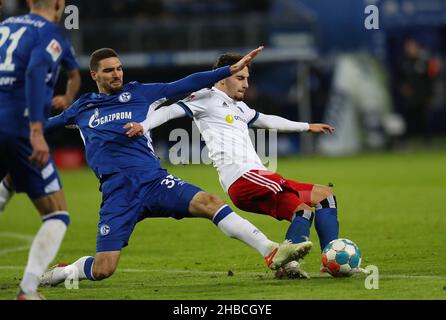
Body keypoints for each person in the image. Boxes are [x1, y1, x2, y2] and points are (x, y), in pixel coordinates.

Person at [39, 47, 313, 290]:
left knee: (210, 202)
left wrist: (227, 70)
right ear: (94, 75)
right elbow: (44, 126)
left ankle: (270, 250)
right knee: (103, 269)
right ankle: (65, 271)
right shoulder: (83, 107)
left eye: (119, 68)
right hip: (118, 192)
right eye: (109, 71)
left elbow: (186, 83)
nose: (116, 74)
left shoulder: (140, 93)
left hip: (155, 182)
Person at [125, 53, 337, 279]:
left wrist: (306, 126)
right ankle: (291, 260)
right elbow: (168, 111)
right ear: (223, 78)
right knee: (311, 201)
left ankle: (322, 262)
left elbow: (267, 120)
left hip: (256, 179)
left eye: (247, 78)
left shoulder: (239, 107)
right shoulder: (204, 97)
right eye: (240, 78)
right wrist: (144, 125)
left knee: (319, 200)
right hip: (244, 177)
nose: (246, 84)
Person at [0, 0, 80, 299]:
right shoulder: (50, 33)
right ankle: (28, 289)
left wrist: (68, 95)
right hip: (17, 129)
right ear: (60, 4)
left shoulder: (5, 27)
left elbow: (73, 73)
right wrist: (36, 130)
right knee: (57, 214)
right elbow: (35, 71)